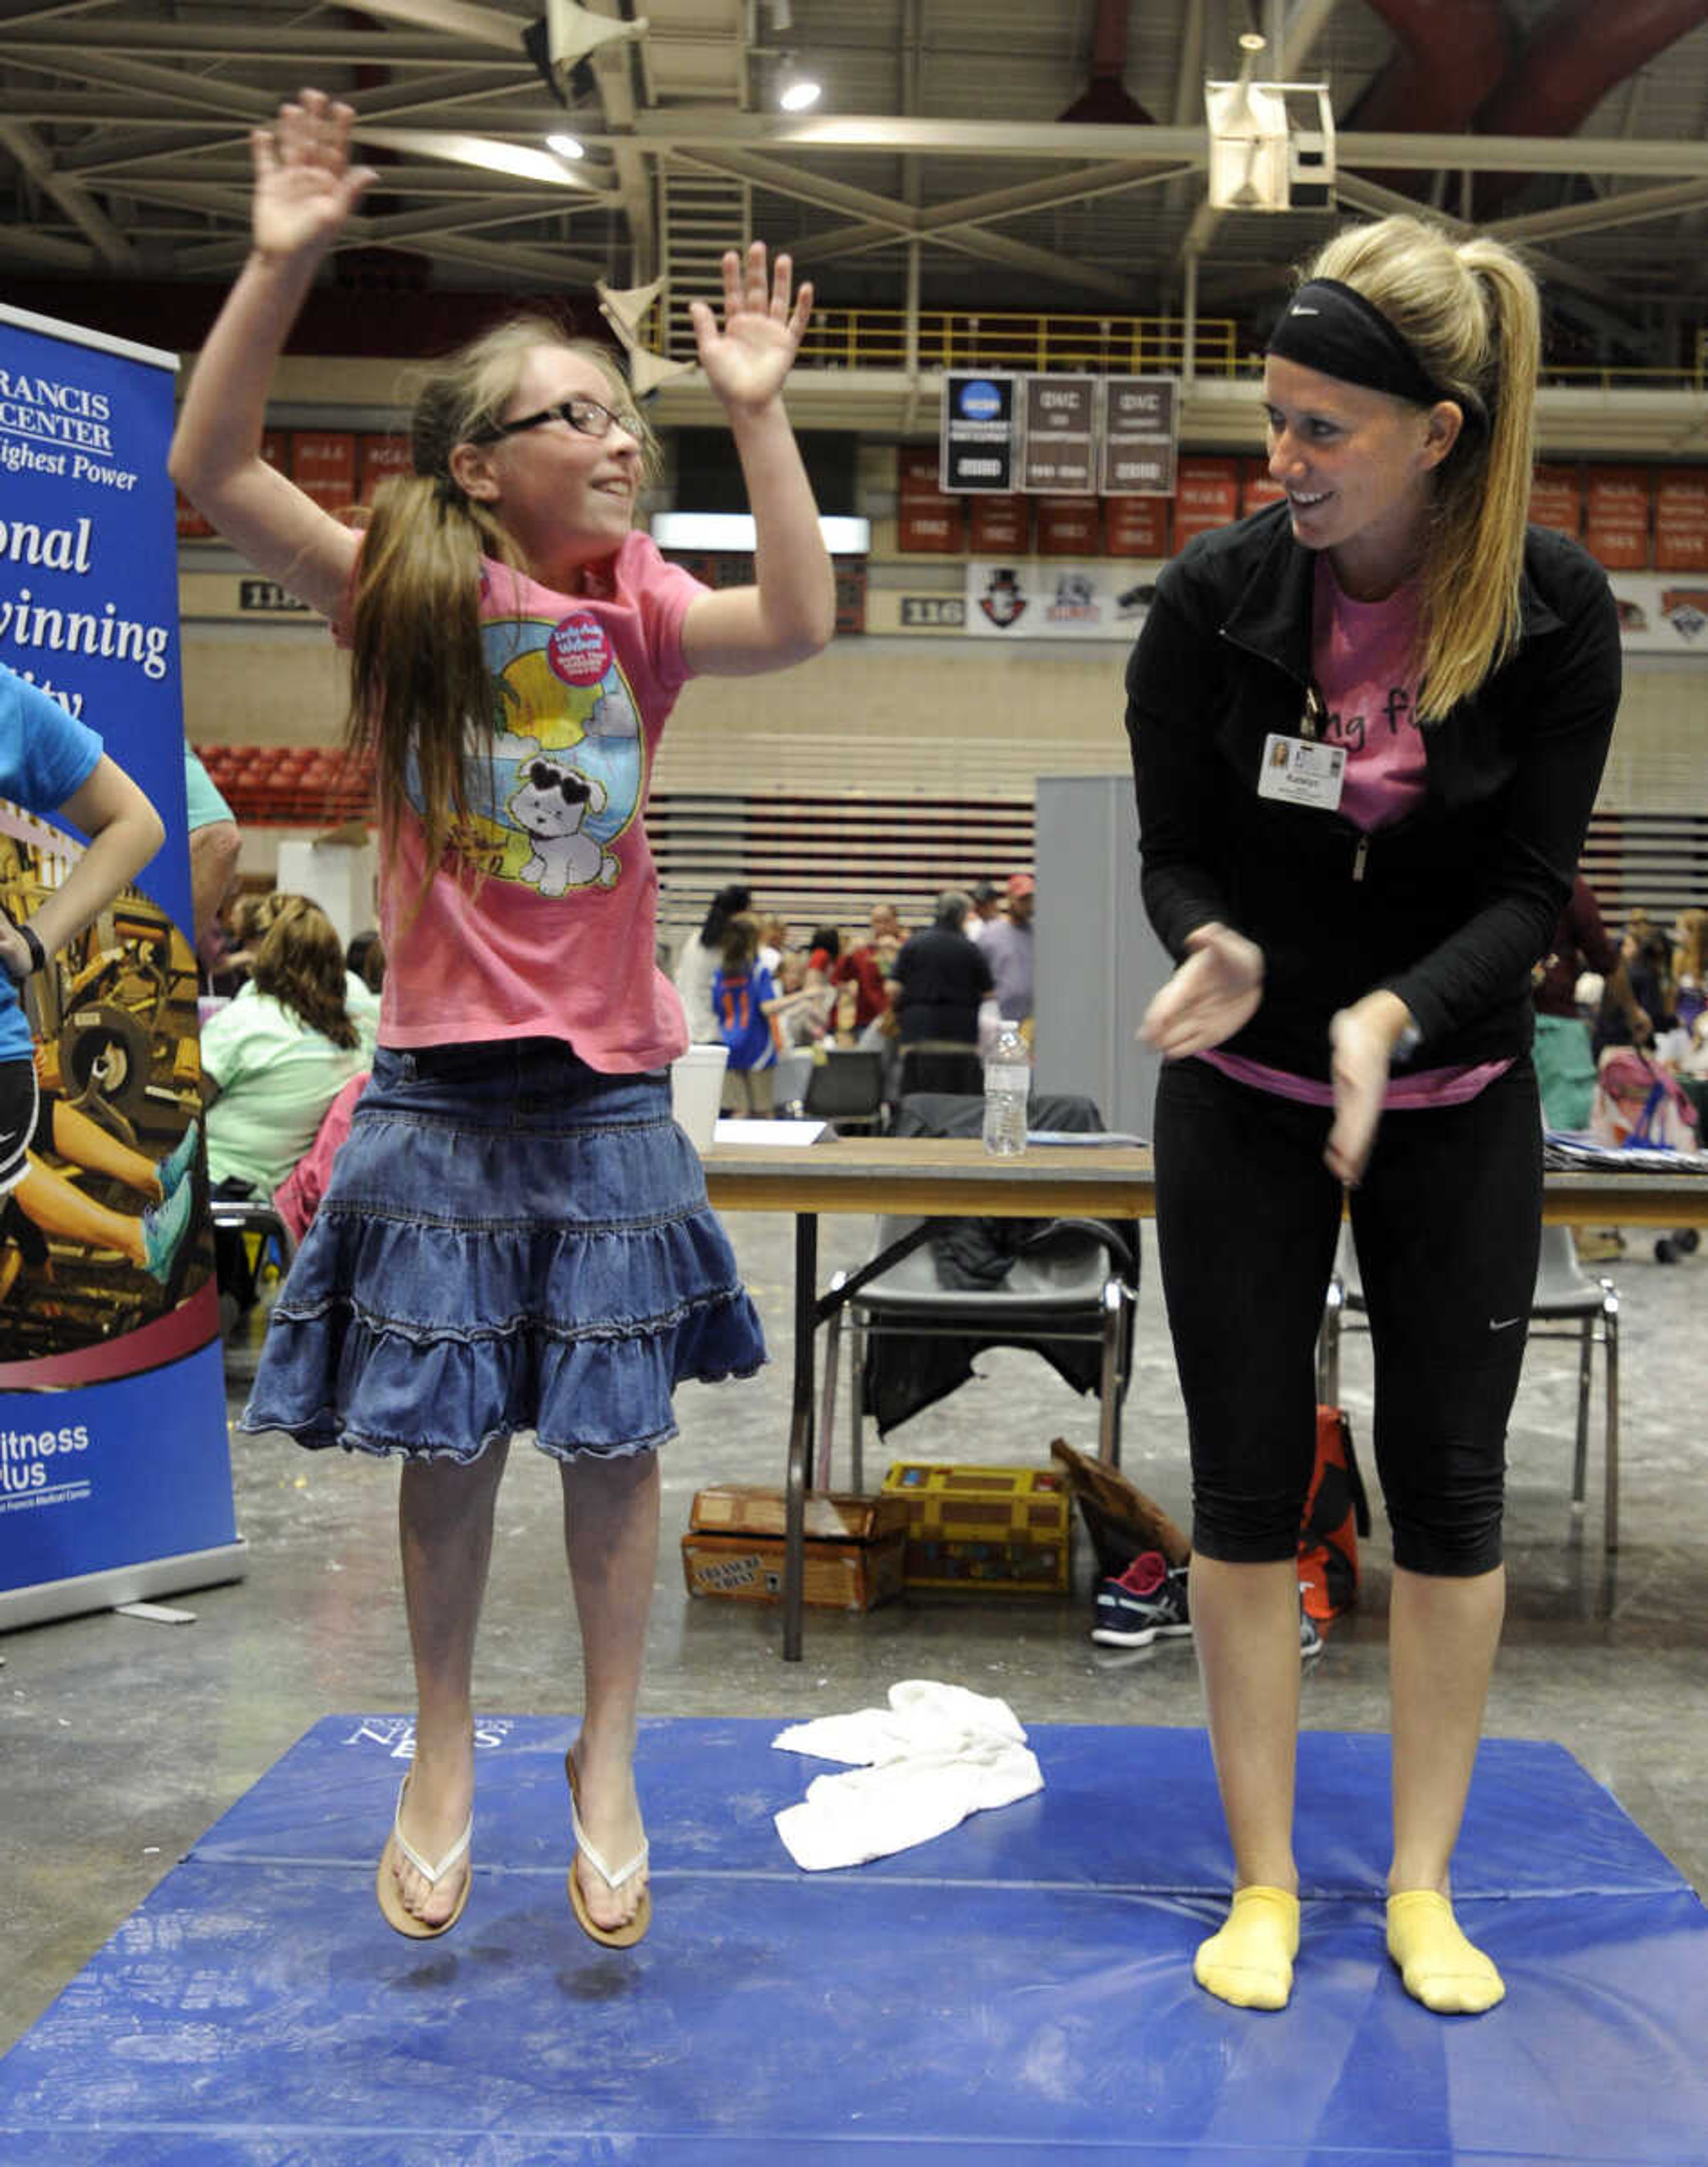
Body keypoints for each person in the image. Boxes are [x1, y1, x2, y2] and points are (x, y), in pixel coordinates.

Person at [169, 89, 834, 1945]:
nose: (618, 439)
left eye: (629, 416)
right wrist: (284, 257)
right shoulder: (405, 595)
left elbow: (802, 611)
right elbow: (217, 462)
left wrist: (762, 410)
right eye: (575, 417)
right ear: (479, 464)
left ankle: (606, 1750)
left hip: (610, 1088)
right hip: (445, 1091)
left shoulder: (639, 605)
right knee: (448, 1443)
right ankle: (443, 1742)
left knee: (614, 1443)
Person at [1128, 213, 1619, 2017]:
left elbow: (1533, 885)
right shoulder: (1212, 601)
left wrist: (1397, 1016)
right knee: (1249, 1493)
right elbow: (1175, 840)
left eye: (1326, 426)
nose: (1285, 460)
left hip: (1460, 1097)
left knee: (1453, 1492)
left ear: (1441, 429)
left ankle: (1420, 1882)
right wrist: (1217, 941)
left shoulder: (1557, 612)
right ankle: (1264, 1876)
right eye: (1276, 417)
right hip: (1247, 1103)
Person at [0, 665, 169, 1260]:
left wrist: (33, 942)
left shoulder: (7, 702)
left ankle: (143, 1226)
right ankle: (145, 1215)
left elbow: (138, 824)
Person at [201, 896, 369, 1202]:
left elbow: (184, 1109)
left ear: (269, 955)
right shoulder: (352, 1052)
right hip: (261, 1205)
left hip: (205, 1185)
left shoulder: (247, 1021)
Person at [1533, 875, 1647, 1130]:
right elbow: (1604, 959)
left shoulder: (1497, 873)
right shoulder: (1569, 885)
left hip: (1497, 1023)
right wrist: (1633, 1012)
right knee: (1570, 1133)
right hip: (1554, 1028)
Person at [890, 889, 993, 1091]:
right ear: (962, 916)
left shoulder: (913, 944)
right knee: (957, 1102)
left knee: (917, 1098)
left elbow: (893, 989)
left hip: (918, 1034)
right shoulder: (971, 950)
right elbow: (988, 992)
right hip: (961, 1036)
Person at [711, 912, 780, 1114]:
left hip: (730, 1042)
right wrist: (804, 996)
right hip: (757, 1046)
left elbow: (717, 1009)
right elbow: (767, 1008)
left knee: (739, 1111)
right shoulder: (759, 971)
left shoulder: (720, 974)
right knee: (764, 1112)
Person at [673, 883, 751, 1045]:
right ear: (740, 914)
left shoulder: (695, 939)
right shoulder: (730, 946)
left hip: (684, 1026)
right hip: (710, 1031)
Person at [980, 872, 1035, 1023]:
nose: (1028, 905)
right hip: (1001, 1020)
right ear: (1010, 898)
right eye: (1023, 899)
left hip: (1032, 1021)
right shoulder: (990, 934)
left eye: (1031, 900)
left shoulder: (1039, 936)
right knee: (1012, 1048)